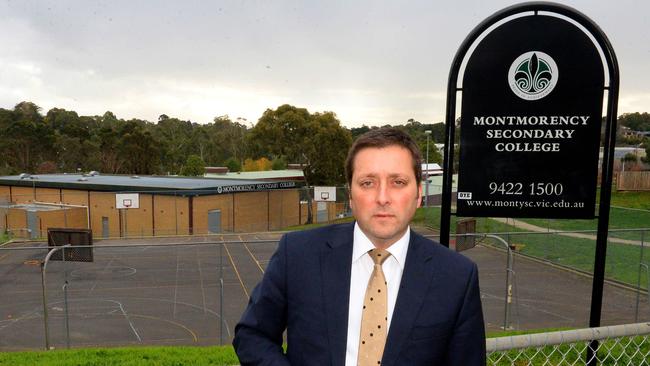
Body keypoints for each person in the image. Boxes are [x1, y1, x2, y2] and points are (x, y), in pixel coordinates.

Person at [233, 127, 485, 365]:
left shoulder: (457, 277)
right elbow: (252, 335)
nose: (382, 198)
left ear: (419, 194)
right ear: (351, 195)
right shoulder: (298, 254)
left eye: (398, 182)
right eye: (368, 183)